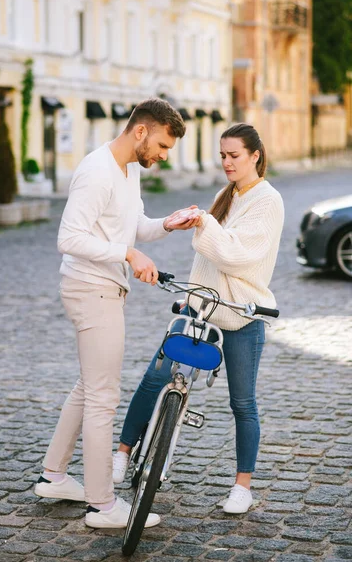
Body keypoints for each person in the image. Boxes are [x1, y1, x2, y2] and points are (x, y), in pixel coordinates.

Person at [34, 98, 201, 529]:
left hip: (103, 287)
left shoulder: (127, 171)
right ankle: (102, 505)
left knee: (89, 386)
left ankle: (53, 476)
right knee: (103, 398)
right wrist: (126, 253)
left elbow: (134, 224)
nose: (163, 156)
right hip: (92, 290)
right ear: (141, 131)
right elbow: (69, 237)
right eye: (163, 146)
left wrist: (167, 223)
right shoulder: (96, 170)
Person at [113, 122, 285, 514]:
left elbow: (238, 255)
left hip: (243, 315)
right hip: (200, 307)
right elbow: (209, 255)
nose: (226, 162)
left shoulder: (268, 200)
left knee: (243, 403)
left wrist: (204, 223)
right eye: (223, 155)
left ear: (255, 156)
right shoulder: (227, 194)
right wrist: (199, 221)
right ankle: (122, 453)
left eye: (234, 155)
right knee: (157, 376)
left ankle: (243, 486)